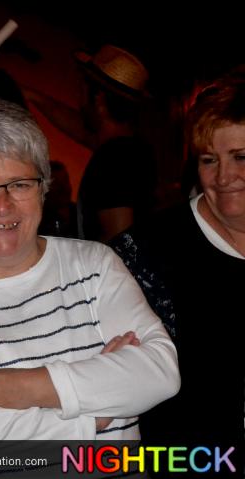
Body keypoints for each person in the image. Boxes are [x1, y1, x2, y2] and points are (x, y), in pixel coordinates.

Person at [0, 99, 179, 441]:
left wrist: (22, 386)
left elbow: (162, 372)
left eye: (20, 184)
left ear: (43, 188)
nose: (2, 206)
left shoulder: (94, 264)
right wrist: (93, 417)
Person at [111, 68, 244, 468]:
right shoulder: (146, 253)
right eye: (209, 160)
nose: (224, 177)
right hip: (186, 461)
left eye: (241, 157)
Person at [27, 44, 157, 242]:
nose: (79, 99)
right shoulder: (131, 150)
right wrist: (29, 94)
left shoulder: (112, 161)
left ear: (99, 100)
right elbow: (78, 127)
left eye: (82, 90)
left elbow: (120, 242)